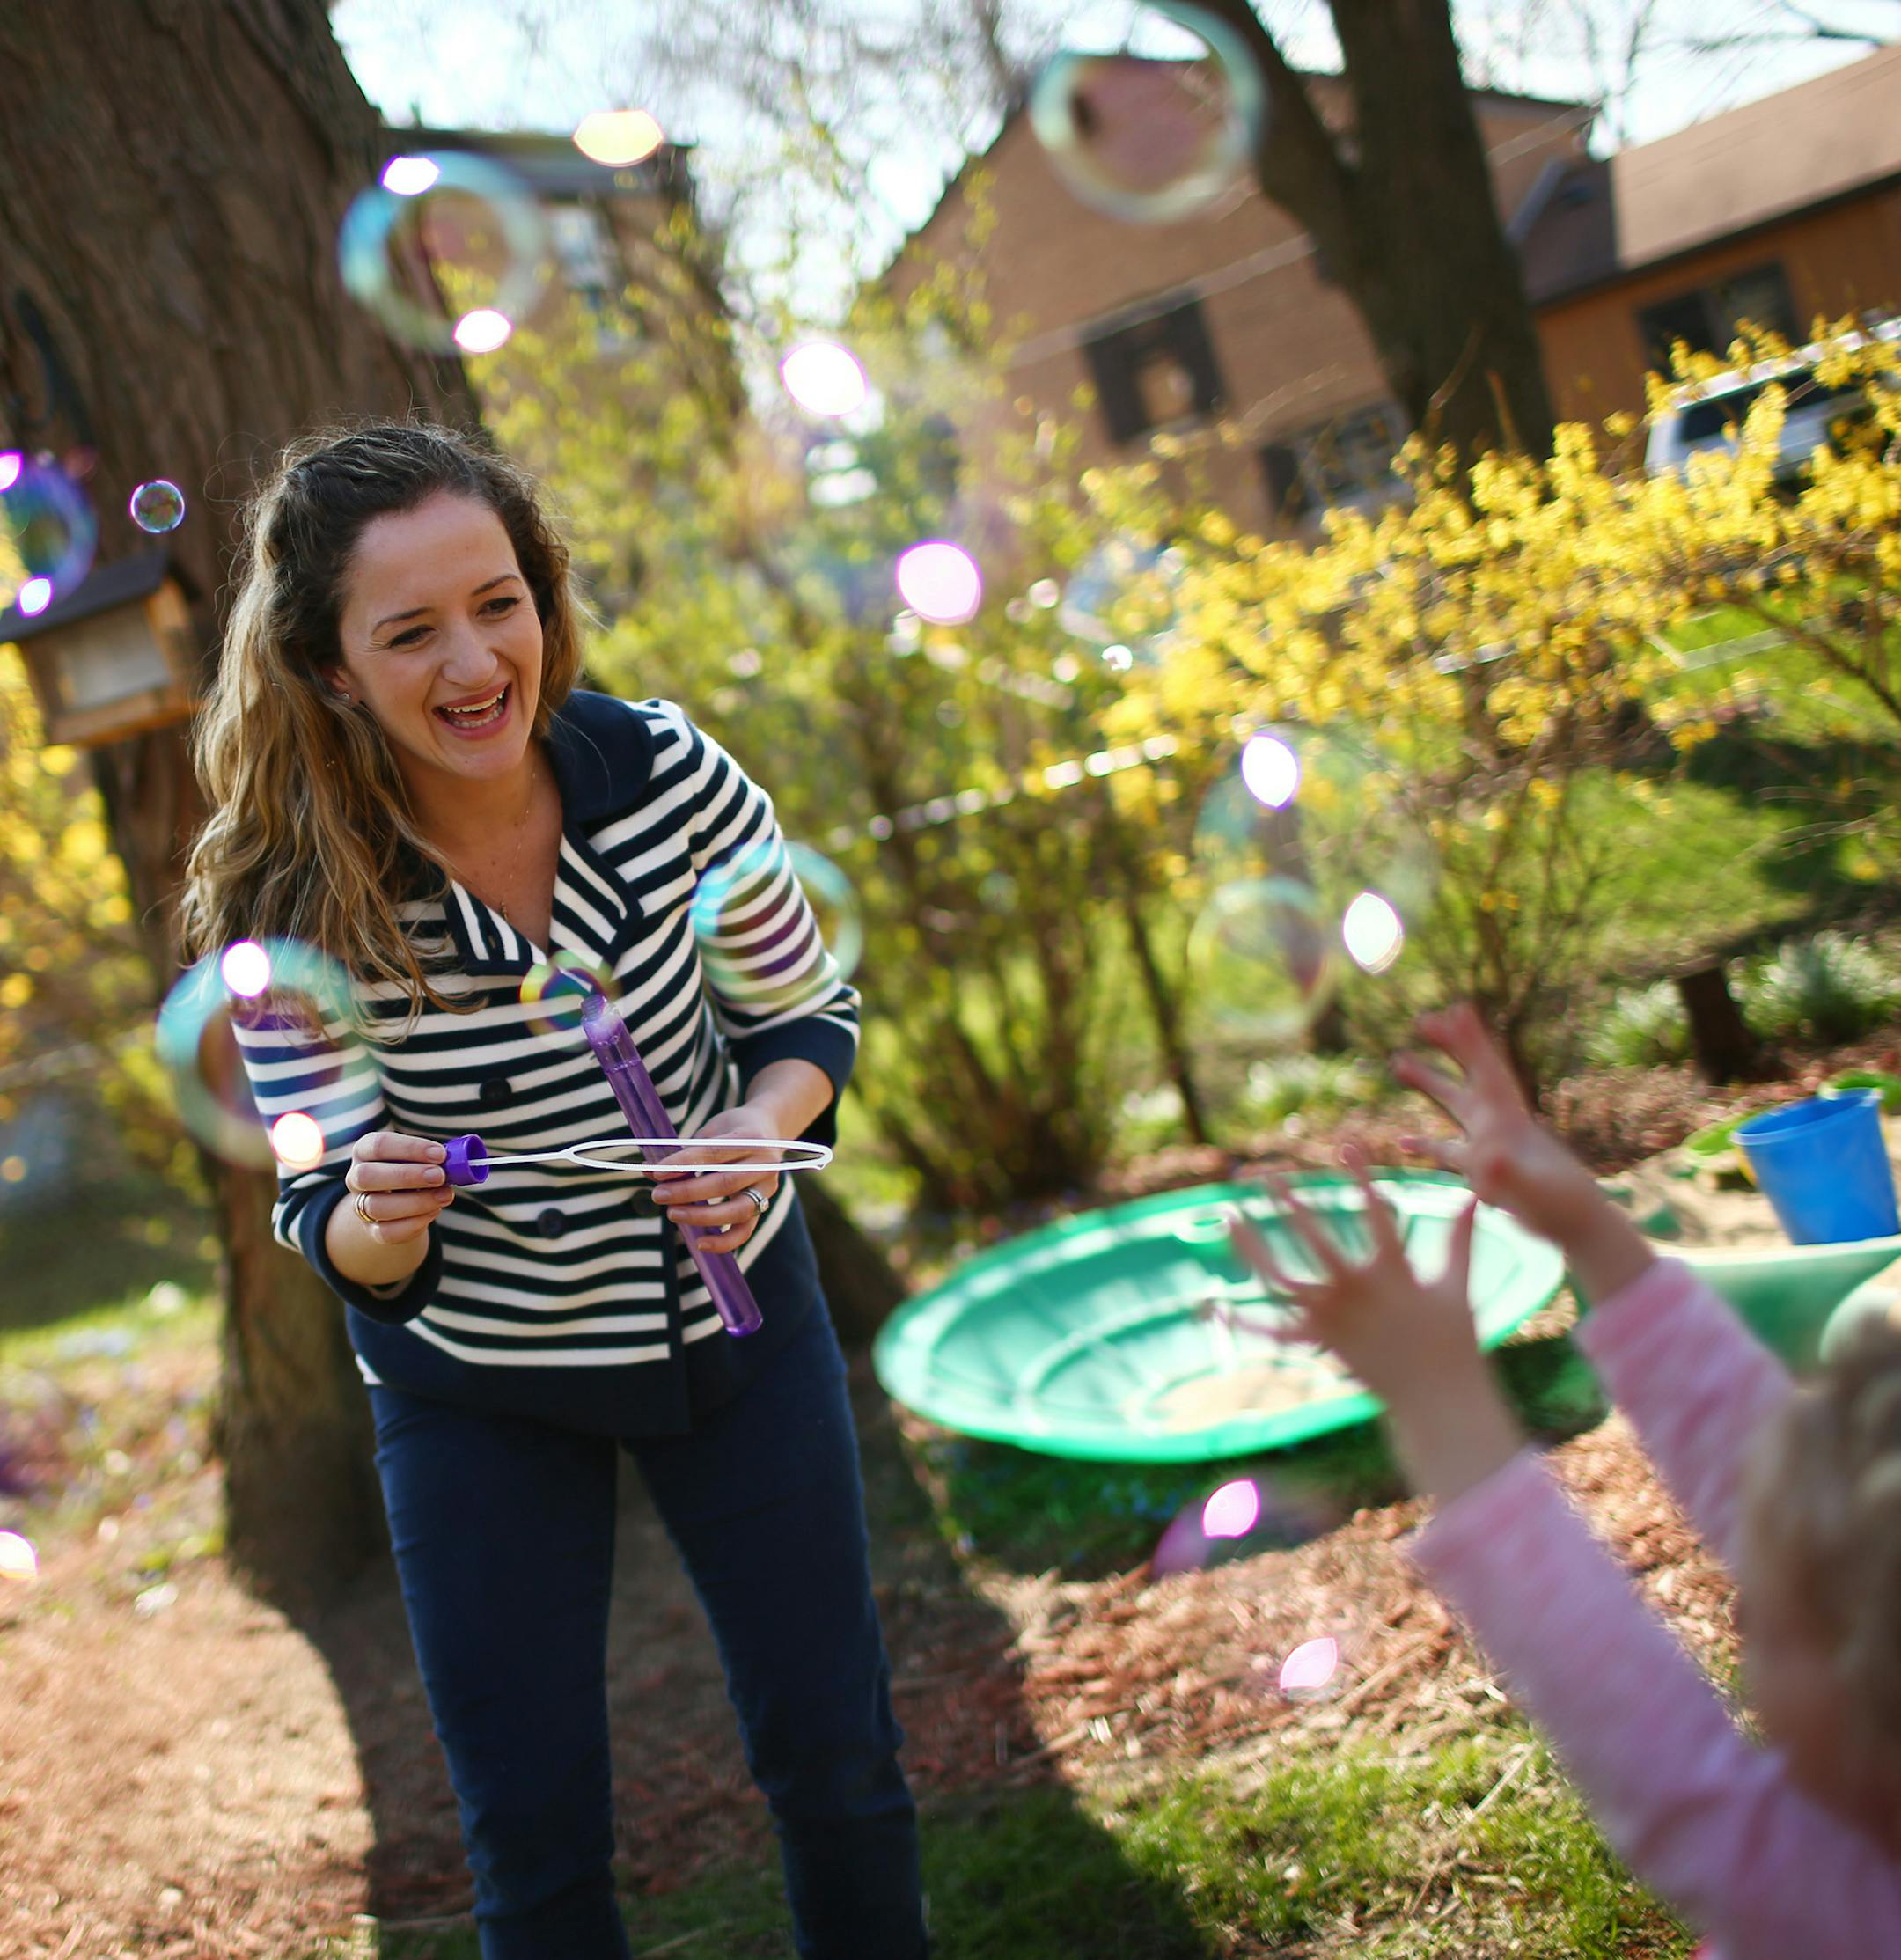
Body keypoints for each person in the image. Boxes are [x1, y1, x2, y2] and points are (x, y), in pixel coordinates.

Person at [179, 421, 928, 1960]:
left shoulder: (662, 772)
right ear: (333, 671)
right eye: (411, 631)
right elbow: (325, 1209)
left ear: (541, 598)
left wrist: (764, 1125)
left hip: (738, 1328)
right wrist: (374, 1221)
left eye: (497, 601)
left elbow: (804, 1021)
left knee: (839, 1766)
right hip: (480, 1390)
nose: (473, 662)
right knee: (533, 1848)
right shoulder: (293, 901)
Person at [1228, 1004, 1901, 1960]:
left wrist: (1443, 1405)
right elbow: (1773, 1479)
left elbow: (1665, 1763)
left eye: (1786, 1621)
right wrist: (1587, 1226)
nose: (1742, 1617)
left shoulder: (1850, 1916)